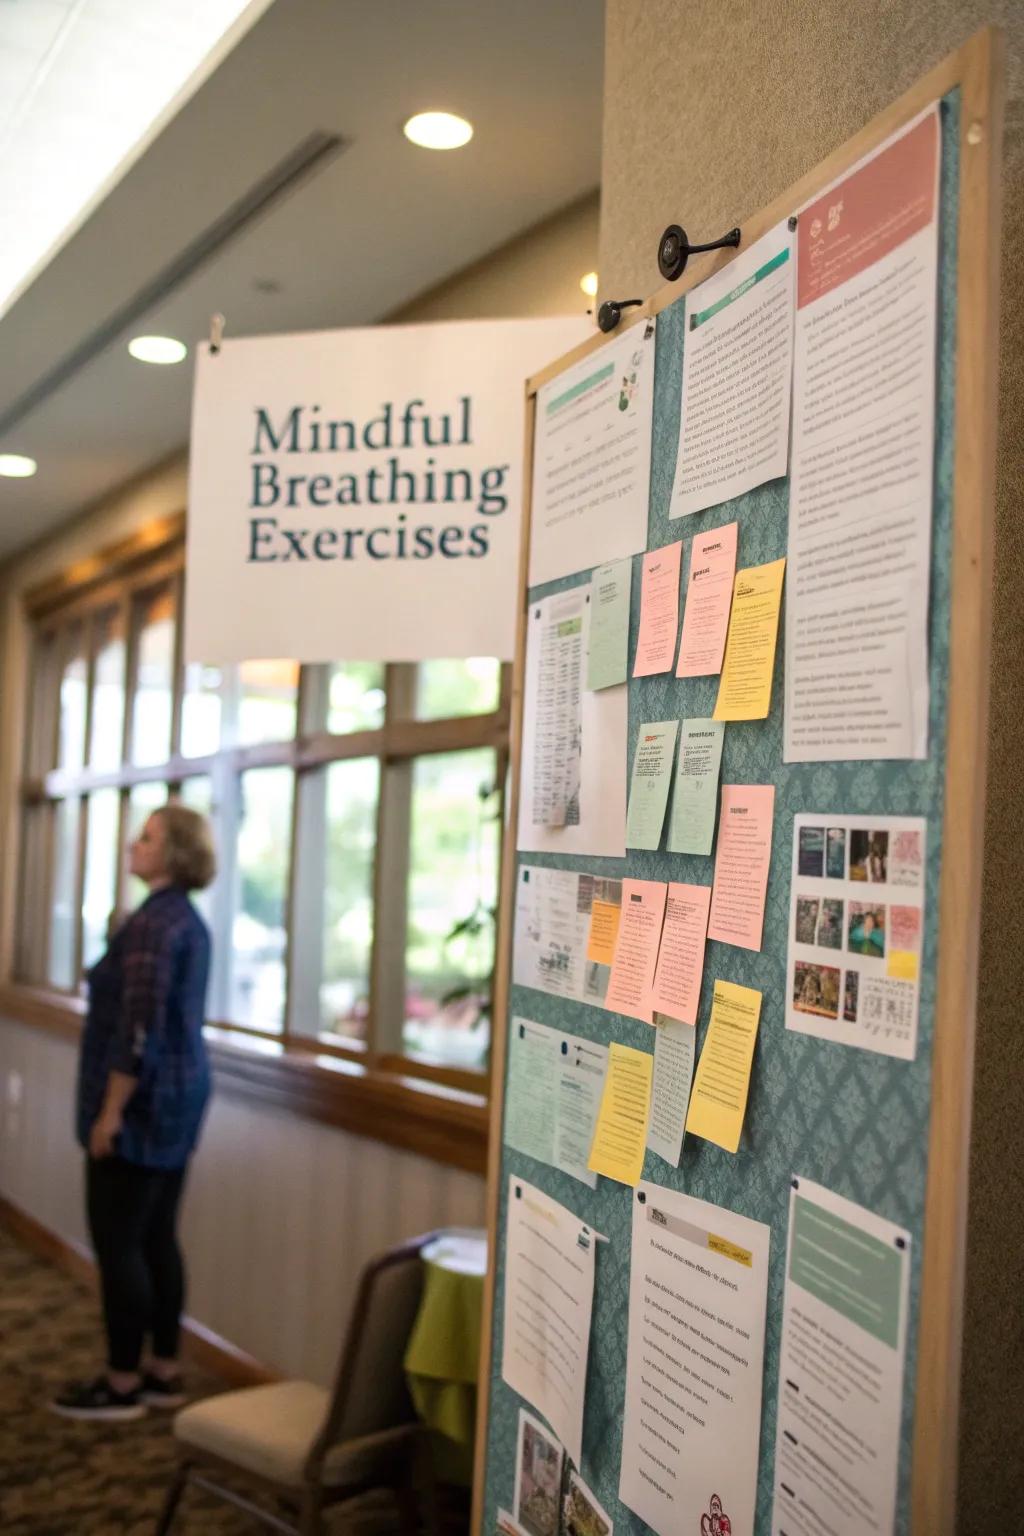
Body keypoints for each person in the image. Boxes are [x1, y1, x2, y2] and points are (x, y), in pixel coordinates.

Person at [51, 804, 216, 1422]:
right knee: (157, 1237)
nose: (132, 844)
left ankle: (121, 1382)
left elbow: (138, 1027)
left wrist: (109, 1113)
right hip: (181, 1097)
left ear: (173, 854)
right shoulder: (185, 920)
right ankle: (163, 1371)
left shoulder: (152, 926)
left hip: (140, 1106)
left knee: (118, 1244)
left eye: (146, 837)